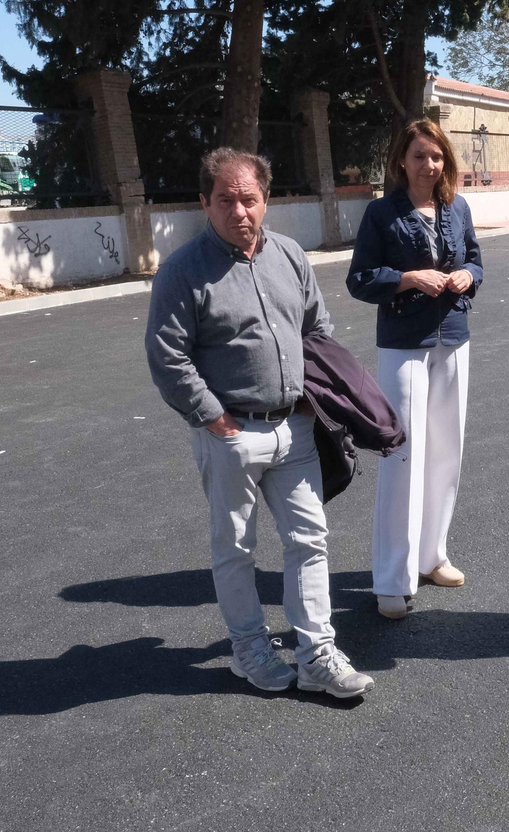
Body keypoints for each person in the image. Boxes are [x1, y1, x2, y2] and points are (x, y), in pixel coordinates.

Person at [146, 148, 375, 698]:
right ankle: (249, 649)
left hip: (294, 428)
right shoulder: (184, 271)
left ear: (265, 200)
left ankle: (317, 653)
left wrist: (310, 393)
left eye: (249, 198)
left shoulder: (291, 256)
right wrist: (212, 416)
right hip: (230, 435)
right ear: (204, 203)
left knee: (309, 540)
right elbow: (166, 355)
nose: (239, 211)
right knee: (235, 548)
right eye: (225, 200)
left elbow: (317, 329)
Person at [347, 118, 484, 619]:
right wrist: (407, 278)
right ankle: (391, 578)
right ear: (401, 161)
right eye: (420, 156)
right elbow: (360, 279)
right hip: (405, 344)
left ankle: (433, 556)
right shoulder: (382, 214)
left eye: (437, 156)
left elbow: (475, 258)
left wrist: (467, 274)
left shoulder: (458, 207)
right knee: (402, 457)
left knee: (447, 452)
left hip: (453, 340)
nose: (429, 165)